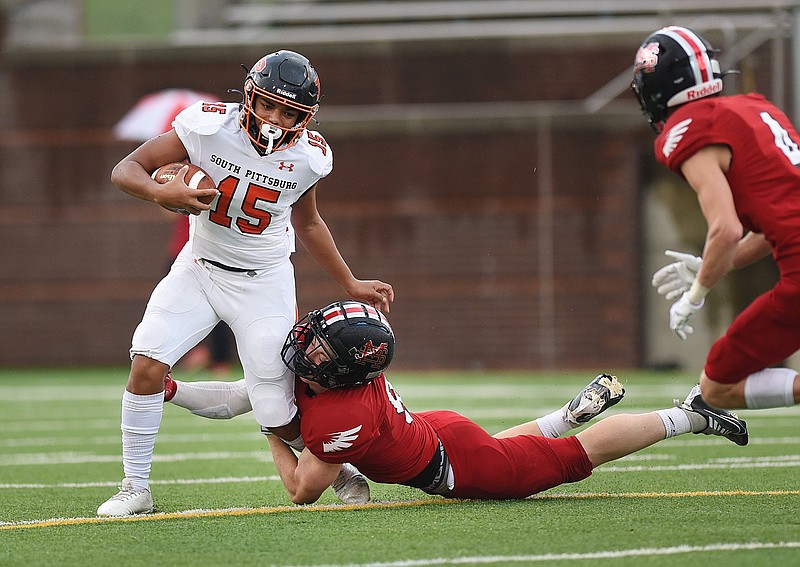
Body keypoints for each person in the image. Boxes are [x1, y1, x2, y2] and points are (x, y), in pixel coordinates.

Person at [98, 50, 393, 516]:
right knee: (146, 363)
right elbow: (125, 169)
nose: (276, 118)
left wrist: (350, 282)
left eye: (290, 111)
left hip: (264, 282)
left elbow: (310, 224)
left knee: (275, 411)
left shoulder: (308, 157)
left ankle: (336, 465)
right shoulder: (207, 127)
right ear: (250, 97)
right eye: (269, 105)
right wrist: (161, 190)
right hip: (198, 268)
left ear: (306, 116)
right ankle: (135, 486)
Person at [166, 300, 747, 504]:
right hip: (437, 431)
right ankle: (564, 415)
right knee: (503, 448)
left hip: (451, 464)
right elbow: (241, 395)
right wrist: (173, 391)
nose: (306, 347)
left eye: (320, 347)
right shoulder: (331, 382)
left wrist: (273, 431)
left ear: (340, 370)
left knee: (576, 459)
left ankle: (689, 414)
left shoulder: (336, 415)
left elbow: (301, 491)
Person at [631, 26, 800, 415]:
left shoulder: (687, 130)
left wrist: (696, 295)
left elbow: (726, 228)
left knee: (717, 386)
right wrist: (715, 264)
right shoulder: (756, 106)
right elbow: (769, 228)